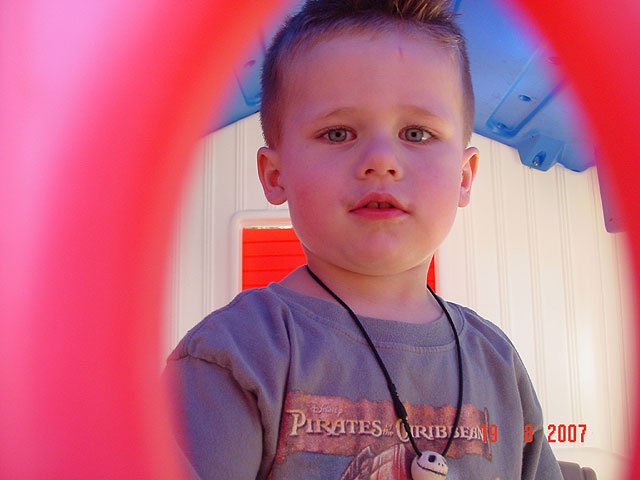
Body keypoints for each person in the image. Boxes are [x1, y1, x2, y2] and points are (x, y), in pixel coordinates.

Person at [164, 0, 564, 478]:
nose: (381, 160)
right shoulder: (234, 356)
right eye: (338, 133)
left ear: (464, 177)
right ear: (275, 175)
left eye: (417, 133)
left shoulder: (498, 363)